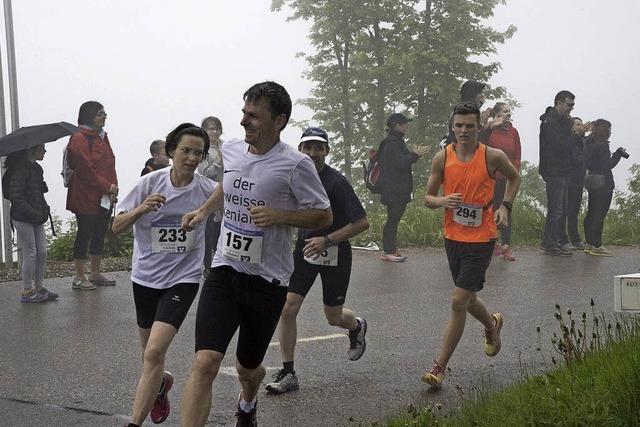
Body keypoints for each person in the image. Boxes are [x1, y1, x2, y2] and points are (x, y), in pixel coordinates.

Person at [179, 81, 332, 427]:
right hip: (224, 270)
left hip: (268, 281)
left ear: (278, 121)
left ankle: (248, 402)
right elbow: (227, 187)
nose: (244, 121)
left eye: (253, 115)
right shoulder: (231, 150)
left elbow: (323, 214)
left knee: (248, 368)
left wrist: (280, 216)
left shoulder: (296, 165)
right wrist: (203, 211)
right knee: (205, 362)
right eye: (244, 113)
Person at [113, 123, 215, 427]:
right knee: (149, 356)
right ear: (171, 151)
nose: (192, 158)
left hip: (183, 278)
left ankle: (134, 423)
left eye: (198, 153)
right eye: (186, 150)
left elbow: (233, 205)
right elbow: (116, 227)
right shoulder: (149, 184)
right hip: (144, 278)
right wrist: (141, 209)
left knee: (156, 350)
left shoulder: (206, 190)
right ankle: (159, 387)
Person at [422, 102, 520, 387]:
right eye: (459, 126)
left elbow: (515, 178)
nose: (464, 131)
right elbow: (428, 198)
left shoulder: (492, 156)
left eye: (470, 126)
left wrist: (505, 207)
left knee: (458, 300)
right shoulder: (442, 158)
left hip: (482, 236)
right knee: (469, 298)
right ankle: (492, 324)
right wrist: (443, 200)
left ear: (480, 127)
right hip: (453, 237)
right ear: (452, 127)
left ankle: (438, 368)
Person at [265, 127, 370, 394]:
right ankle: (288, 372)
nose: (313, 153)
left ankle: (356, 327)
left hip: (335, 251)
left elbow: (362, 223)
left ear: (327, 151)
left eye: (319, 148)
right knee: (287, 307)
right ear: (299, 150)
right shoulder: (292, 177)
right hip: (304, 250)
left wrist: (328, 240)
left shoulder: (336, 182)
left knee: (333, 317)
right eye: (308, 147)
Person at [66, 100, 118, 290]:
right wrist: (108, 186)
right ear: (89, 115)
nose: (104, 116)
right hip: (84, 195)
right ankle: (79, 276)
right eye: (100, 113)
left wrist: (114, 188)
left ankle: (94, 273)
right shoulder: (79, 137)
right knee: (85, 233)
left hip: (104, 195)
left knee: (99, 233)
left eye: (104, 113)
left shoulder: (102, 137)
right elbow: (85, 169)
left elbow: (110, 163)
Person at [2, 145, 57, 303]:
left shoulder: (37, 168)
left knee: (42, 252)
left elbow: (36, 192)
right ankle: (27, 291)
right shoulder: (19, 169)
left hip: (36, 216)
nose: (45, 151)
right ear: (32, 150)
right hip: (22, 217)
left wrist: (43, 205)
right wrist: (34, 212)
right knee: (31, 252)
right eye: (43, 148)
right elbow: (16, 197)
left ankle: (38, 288)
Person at [379, 113, 430, 262]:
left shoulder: (396, 141)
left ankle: (391, 249)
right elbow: (398, 164)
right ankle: (388, 251)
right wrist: (415, 155)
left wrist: (415, 154)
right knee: (393, 219)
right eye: (404, 124)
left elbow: (405, 159)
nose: (406, 126)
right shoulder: (391, 143)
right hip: (393, 189)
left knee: (394, 219)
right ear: (396, 125)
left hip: (398, 188)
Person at [538, 90, 575, 257]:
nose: (571, 109)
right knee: (556, 209)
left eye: (573, 105)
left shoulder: (562, 121)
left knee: (563, 209)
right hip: (554, 171)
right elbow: (558, 145)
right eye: (569, 105)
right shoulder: (550, 121)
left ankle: (556, 241)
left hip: (563, 170)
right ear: (559, 102)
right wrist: (576, 135)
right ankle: (550, 243)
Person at [583, 119, 626, 256]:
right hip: (604, 182)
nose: (610, 132)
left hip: (591, 180)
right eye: (609, 129)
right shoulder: (602, 146)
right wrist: (617, 155)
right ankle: (597, 245)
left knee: (591, 212)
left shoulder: (588, 142)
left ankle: (589, 242)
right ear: (605, 130)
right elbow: (607, 165)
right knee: (599, 214)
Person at [485, 102, 521, 261]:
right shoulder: (489, 129)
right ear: (497, 114)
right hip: (491, 177)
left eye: (509, 111)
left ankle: (506, 245)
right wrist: (492, 126)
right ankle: (491, 243)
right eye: (504, 112)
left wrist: (514, 173)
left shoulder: (513, 131)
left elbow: (517, 154)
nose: (508, 114)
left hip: (507, 177)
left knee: (506, 209)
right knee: (490, 209)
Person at [197, 116, 224, 273]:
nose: (214, 131)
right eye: (210, 128)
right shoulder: (203, 149)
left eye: (217, 128)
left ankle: (220, 263)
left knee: (222, 230)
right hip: (208, 194)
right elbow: (204, 173)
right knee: (209, 232)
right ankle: (207, 265)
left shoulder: (225, 146)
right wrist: (219, 161)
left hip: (225, 194)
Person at [559, 117, 589, 250]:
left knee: (574, 211)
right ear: (571, 127)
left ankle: (575, 238)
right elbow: (572, 157)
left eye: (581, 124)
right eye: (577, 124)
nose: (580, 126)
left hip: (579, 179)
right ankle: (561, 239)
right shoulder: (569, 140)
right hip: (569, 179)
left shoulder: (581, 141)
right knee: (565, 210)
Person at [440, 80, 493, 149]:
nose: (481, 96)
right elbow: (471, 141)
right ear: (472, 94)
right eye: (479, 93)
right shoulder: (462, 112)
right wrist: (482, 124)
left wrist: (489, 128)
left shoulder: (470, 111)